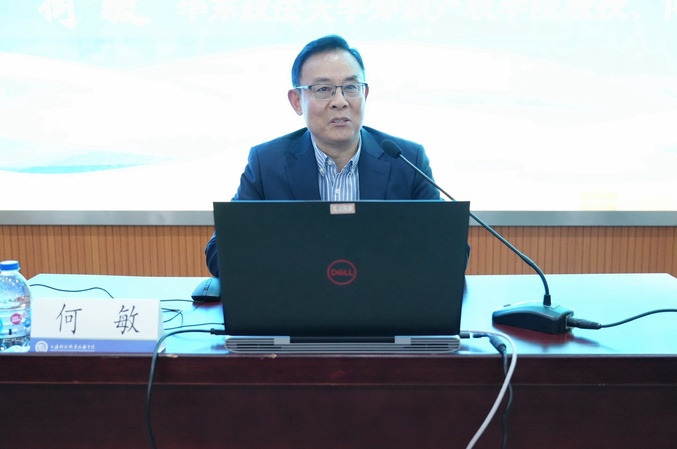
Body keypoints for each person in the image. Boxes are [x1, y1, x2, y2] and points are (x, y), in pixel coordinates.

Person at [205, 35, 448, 277]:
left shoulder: (407, 160)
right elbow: (219, 255)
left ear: (364, 95)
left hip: (383, 298)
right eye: (323, 90)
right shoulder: (267, 163)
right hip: (299, 298)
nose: (340, 102)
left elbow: (449, 252)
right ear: (296, 101)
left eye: (351, 88)